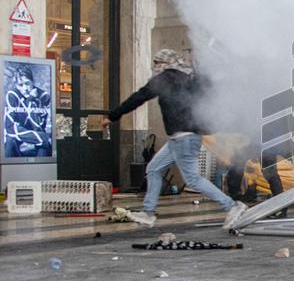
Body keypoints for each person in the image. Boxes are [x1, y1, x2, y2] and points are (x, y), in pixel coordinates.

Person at [103, 49, 247, 229]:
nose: (155, 67)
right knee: (153, 169)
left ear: (163, 64)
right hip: (178, 138)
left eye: (156, 63)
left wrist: (112, 116)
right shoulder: (186, 79)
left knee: (193, 180)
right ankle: (148, 213)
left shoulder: (164, 79)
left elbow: (138, 97)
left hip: (184, 137)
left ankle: (232, 206)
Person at [4, 67, 53, 158]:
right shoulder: (12, 95)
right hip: (25, 133)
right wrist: (40, 138)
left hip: (34, 132)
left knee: (44, 146)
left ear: (33, 82)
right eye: (20, 85)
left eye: (27, 83)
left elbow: (38, 126)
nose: (25, 88)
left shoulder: (43, 96)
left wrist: (32, 100)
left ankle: (42, 169)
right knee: (10, 141)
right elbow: (10, 128)